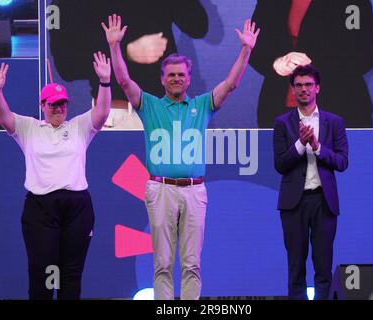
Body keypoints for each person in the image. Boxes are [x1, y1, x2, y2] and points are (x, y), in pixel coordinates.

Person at [102, 14, 259, 299]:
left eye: (181, 75)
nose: (176, 78)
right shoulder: (149, 105)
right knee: (162, 263)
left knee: (192, 264)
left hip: (194, 190)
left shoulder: (202, 105)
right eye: (171, 74)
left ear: (188, 80)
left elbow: (231, 84)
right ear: (162, 80)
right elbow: (124, 81)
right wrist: (114, 47)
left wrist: (246, 49)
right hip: (159, 189)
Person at [0, 52, 111, 300]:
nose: (59, 108)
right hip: (41, 208)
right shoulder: (29, 128)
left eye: (63, 103)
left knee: (71, 272)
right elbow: (3, 117)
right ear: (42, 105)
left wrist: (105, 82)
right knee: (42, 271)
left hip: (77, 207)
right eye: (53, 104)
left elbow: (102, 112)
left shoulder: (79, 127)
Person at [50, 0, 208, 130]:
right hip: (115, 115)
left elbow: (198, 26)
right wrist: (127, 53)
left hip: (163, 111)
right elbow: (66, 66)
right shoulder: (65, 5)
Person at [273, 65, 348, 300]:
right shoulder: (282, 123)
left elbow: (342, 162)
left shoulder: (334, 122)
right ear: (293, 90)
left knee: (323, 267)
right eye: (298, 85)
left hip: (324, 203)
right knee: (296, 267)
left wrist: (316, 147)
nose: (303, 89)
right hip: (293, 204)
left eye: (308, 85)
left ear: (317, 88)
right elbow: (280, 164)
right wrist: (299, 144)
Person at [250, 0, 373, 128]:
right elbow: (253, 47)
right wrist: (276, 63)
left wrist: (313, 66)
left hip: (340, 107)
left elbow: (364, 55)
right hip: (278, 109)